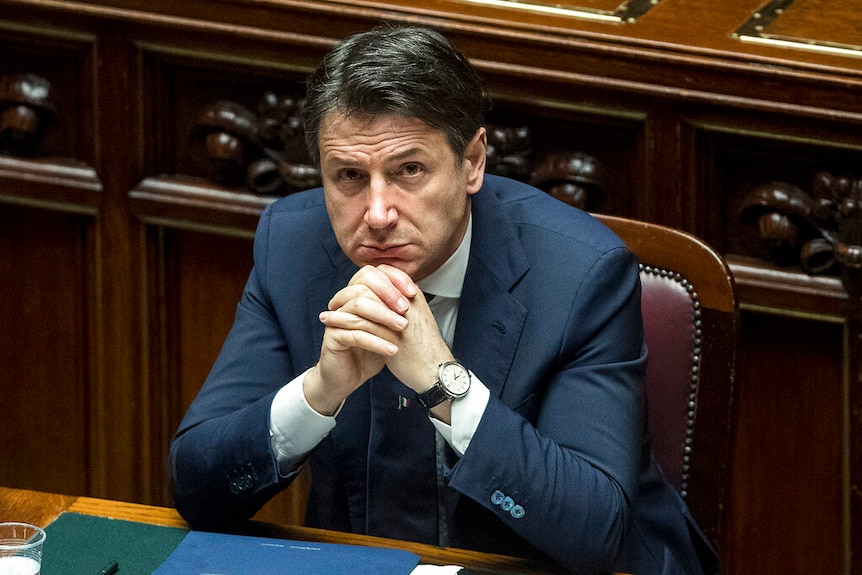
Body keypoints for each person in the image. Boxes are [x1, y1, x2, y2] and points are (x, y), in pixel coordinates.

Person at [170, 25, 718, 575]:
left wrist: (444, 385)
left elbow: (594, 530)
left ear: (473, 161)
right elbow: (196, 489)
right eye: (350, 177)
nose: (378, 214)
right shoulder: (291, 248)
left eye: (409, 170)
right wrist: (319, 391)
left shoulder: (580, 275)